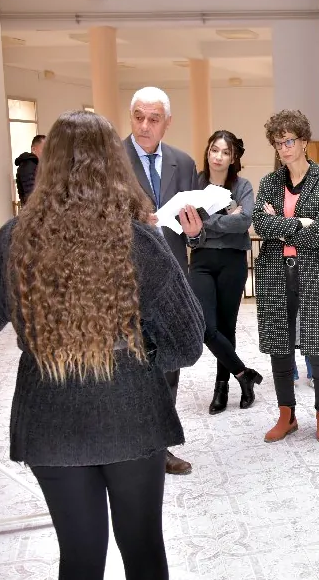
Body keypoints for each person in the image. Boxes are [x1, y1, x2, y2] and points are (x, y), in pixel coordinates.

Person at [0, 111, 205, 580]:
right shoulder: (141, 242)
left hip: (50, 423)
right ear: (115, 164)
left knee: (80, 557)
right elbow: (188, 343)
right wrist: (139, 357)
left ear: (49, 166)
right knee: (144, 551)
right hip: (133, 420)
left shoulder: (15, 240)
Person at [253, 110, 319, 443]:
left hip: (317, 274)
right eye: (278, 142)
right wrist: (300, 225)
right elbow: (260, 224)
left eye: (289, 140)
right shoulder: (268, 183)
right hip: (275, 274)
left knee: (318, 348)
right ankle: (287, 415)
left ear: (304, 141)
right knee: (280, 348)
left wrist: (282, 227)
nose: (284, 147)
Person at [124, 86, 201, 476]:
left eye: (154, 119)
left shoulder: (183, 163)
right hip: (124, 282)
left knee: (168, 365)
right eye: (138, 116)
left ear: (167, 122)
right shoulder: (112, 163)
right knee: (129, 365)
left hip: (171, 280)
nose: (144, 126)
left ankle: (161, 446)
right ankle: (129, 445)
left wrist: (197, 231)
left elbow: (197, 231)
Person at [189, 130, 262, 415]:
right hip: (201, 260)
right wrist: (224, 218)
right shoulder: (195, 183)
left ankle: (222, 387)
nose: (218, 156)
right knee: (206, 327)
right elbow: (186, 223)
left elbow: (244, 221)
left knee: (227, 327)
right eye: (214, 150)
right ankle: (245, 374)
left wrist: (206, 221)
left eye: (225, 152)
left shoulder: (242, 186)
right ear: (207, 152)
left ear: (233, 158)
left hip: (232, 261)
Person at [15, 134, 45, 204]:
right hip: (33, 211)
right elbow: (31, 195)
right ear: (33, 149)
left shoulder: (34, 165)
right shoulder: (28, 165)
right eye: (44, 150)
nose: (46, 154)